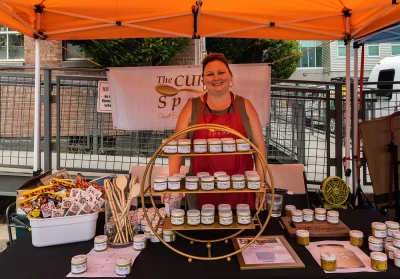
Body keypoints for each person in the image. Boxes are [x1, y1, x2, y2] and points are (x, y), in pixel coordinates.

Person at [163, 53, 267, 211]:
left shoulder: (245, 105)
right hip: (201, 190)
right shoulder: (191, 106)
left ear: (231, 76)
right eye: (210, 74)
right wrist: (173, 182)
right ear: (203, 80)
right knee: (204, 234)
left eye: (221, 72)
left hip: (241, 189)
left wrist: (260, 185)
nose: (216, 78)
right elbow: (177, 147)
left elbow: (259, 148)